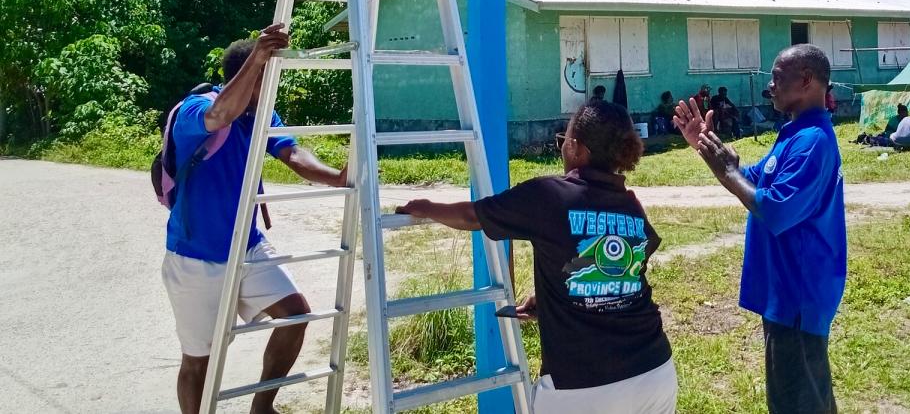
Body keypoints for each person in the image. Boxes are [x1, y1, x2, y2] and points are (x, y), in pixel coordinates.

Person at [397, 100, 677, 412]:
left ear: (574, 147)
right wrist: (552, 300)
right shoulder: (630, 205)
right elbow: (628, 268)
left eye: (563, 141)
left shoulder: (548, 196)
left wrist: (425, 208)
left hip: (580, 387)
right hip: (654, 371)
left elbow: (473, 216)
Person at [162, 24, 348, 414]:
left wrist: (337, 177)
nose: (274, 86)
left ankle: (262, 408)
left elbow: (293, 154)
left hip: (247, 247)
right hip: (196, 257)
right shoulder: (196, 109)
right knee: (200, 361)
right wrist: (258, 56)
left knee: (295, 315)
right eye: (269, 75)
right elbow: (219, 115)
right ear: (248, 72)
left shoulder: (264, 114)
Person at [674, 45, 846, 414]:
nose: (771, 87)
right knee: (806, 395)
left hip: (797, 293)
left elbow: (775, 208)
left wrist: (729, 171)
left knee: (797, 401)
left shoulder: (811, 141)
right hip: (787, 290)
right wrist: (709, 149)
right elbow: (756, 181)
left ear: (805, 80)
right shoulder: (795, 133)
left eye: (778, 78)